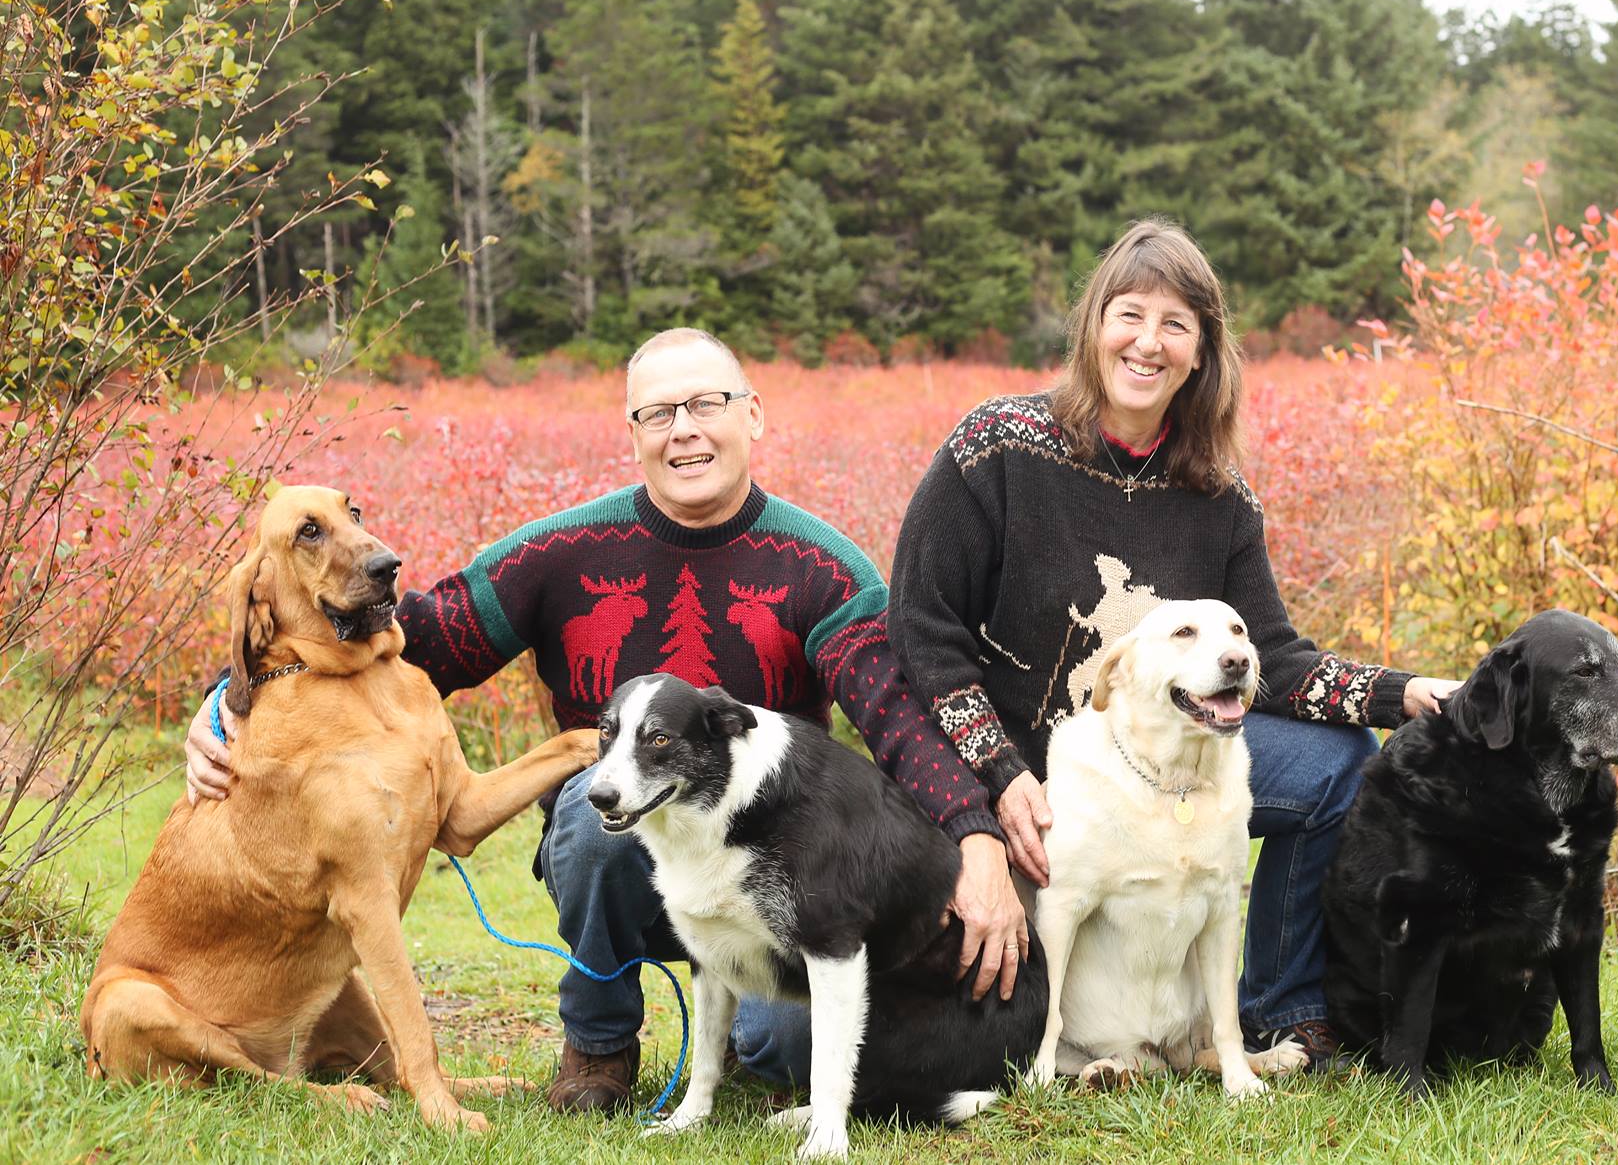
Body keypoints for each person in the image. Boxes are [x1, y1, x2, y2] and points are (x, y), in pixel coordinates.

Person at [185, 328, 1030, 1114]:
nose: (684, 432)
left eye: (706, 405)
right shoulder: (559, 552)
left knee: (795, 1052)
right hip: (619, 851)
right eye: (658, 413)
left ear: (753, 416)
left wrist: (973, 833)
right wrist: (229, 704)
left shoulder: (819, 565)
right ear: (633, 434)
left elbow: (896, 711)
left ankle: (744, 1034)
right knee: (596, 820)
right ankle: (599, 1043)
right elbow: (418, 638)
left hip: (772, 865)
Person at [887, 218, 1461, 1068]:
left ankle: (1281, 1009)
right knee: (945, 1016)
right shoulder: (997, 446)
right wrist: (1000, 777)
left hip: (1159, 758)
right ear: (1093, 326)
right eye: (1129, 314)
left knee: (1336, 759)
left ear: (1203, 352)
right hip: (1021, 785)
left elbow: (1272, 657)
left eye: (1175, 324)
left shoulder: (1220, 495)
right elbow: (922, 631)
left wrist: (1400, 692)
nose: (1147, 343)